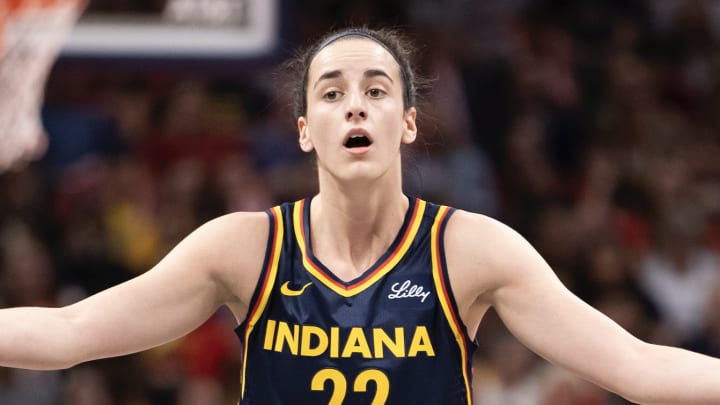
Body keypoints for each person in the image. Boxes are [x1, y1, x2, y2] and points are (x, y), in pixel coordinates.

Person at [2, 26, 720, 405]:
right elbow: (72, 330)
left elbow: (637, 366)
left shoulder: (472, 250)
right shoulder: (245, 248)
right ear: (305, 128)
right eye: (332, 92)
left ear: (407, 123)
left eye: (377, 90)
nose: (354, 103)